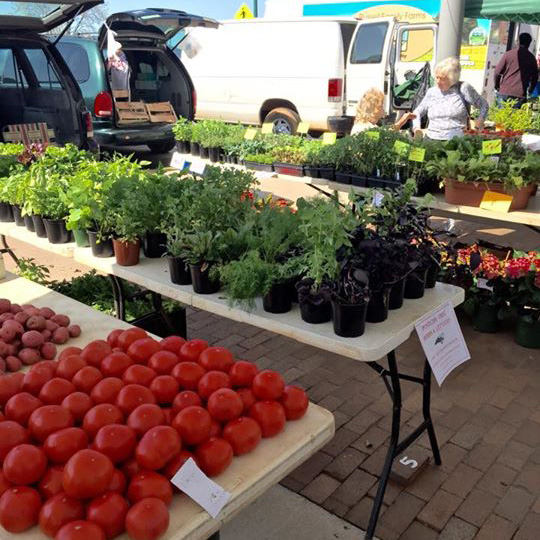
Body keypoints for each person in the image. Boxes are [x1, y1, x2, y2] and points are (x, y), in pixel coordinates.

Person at [410, 57, 488, 141]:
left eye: (442, 79)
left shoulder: (463, 88)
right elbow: (417, 112)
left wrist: (480, 121)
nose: (438, 82)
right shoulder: (432, 92)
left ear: (453, 79)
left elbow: (484, 105)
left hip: (457, 142)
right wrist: (416, 128)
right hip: (431, 140)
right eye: (437, 77)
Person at [494, 33, 539, 108]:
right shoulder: (531, 58)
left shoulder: (508, 54)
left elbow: (497, 73)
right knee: (515, 118)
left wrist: (497, 86)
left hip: (504, 92)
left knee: (501, 118)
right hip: (520, 95)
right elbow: (535, 78)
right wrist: (530, 91)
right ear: (529, 43)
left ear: (518, 41)